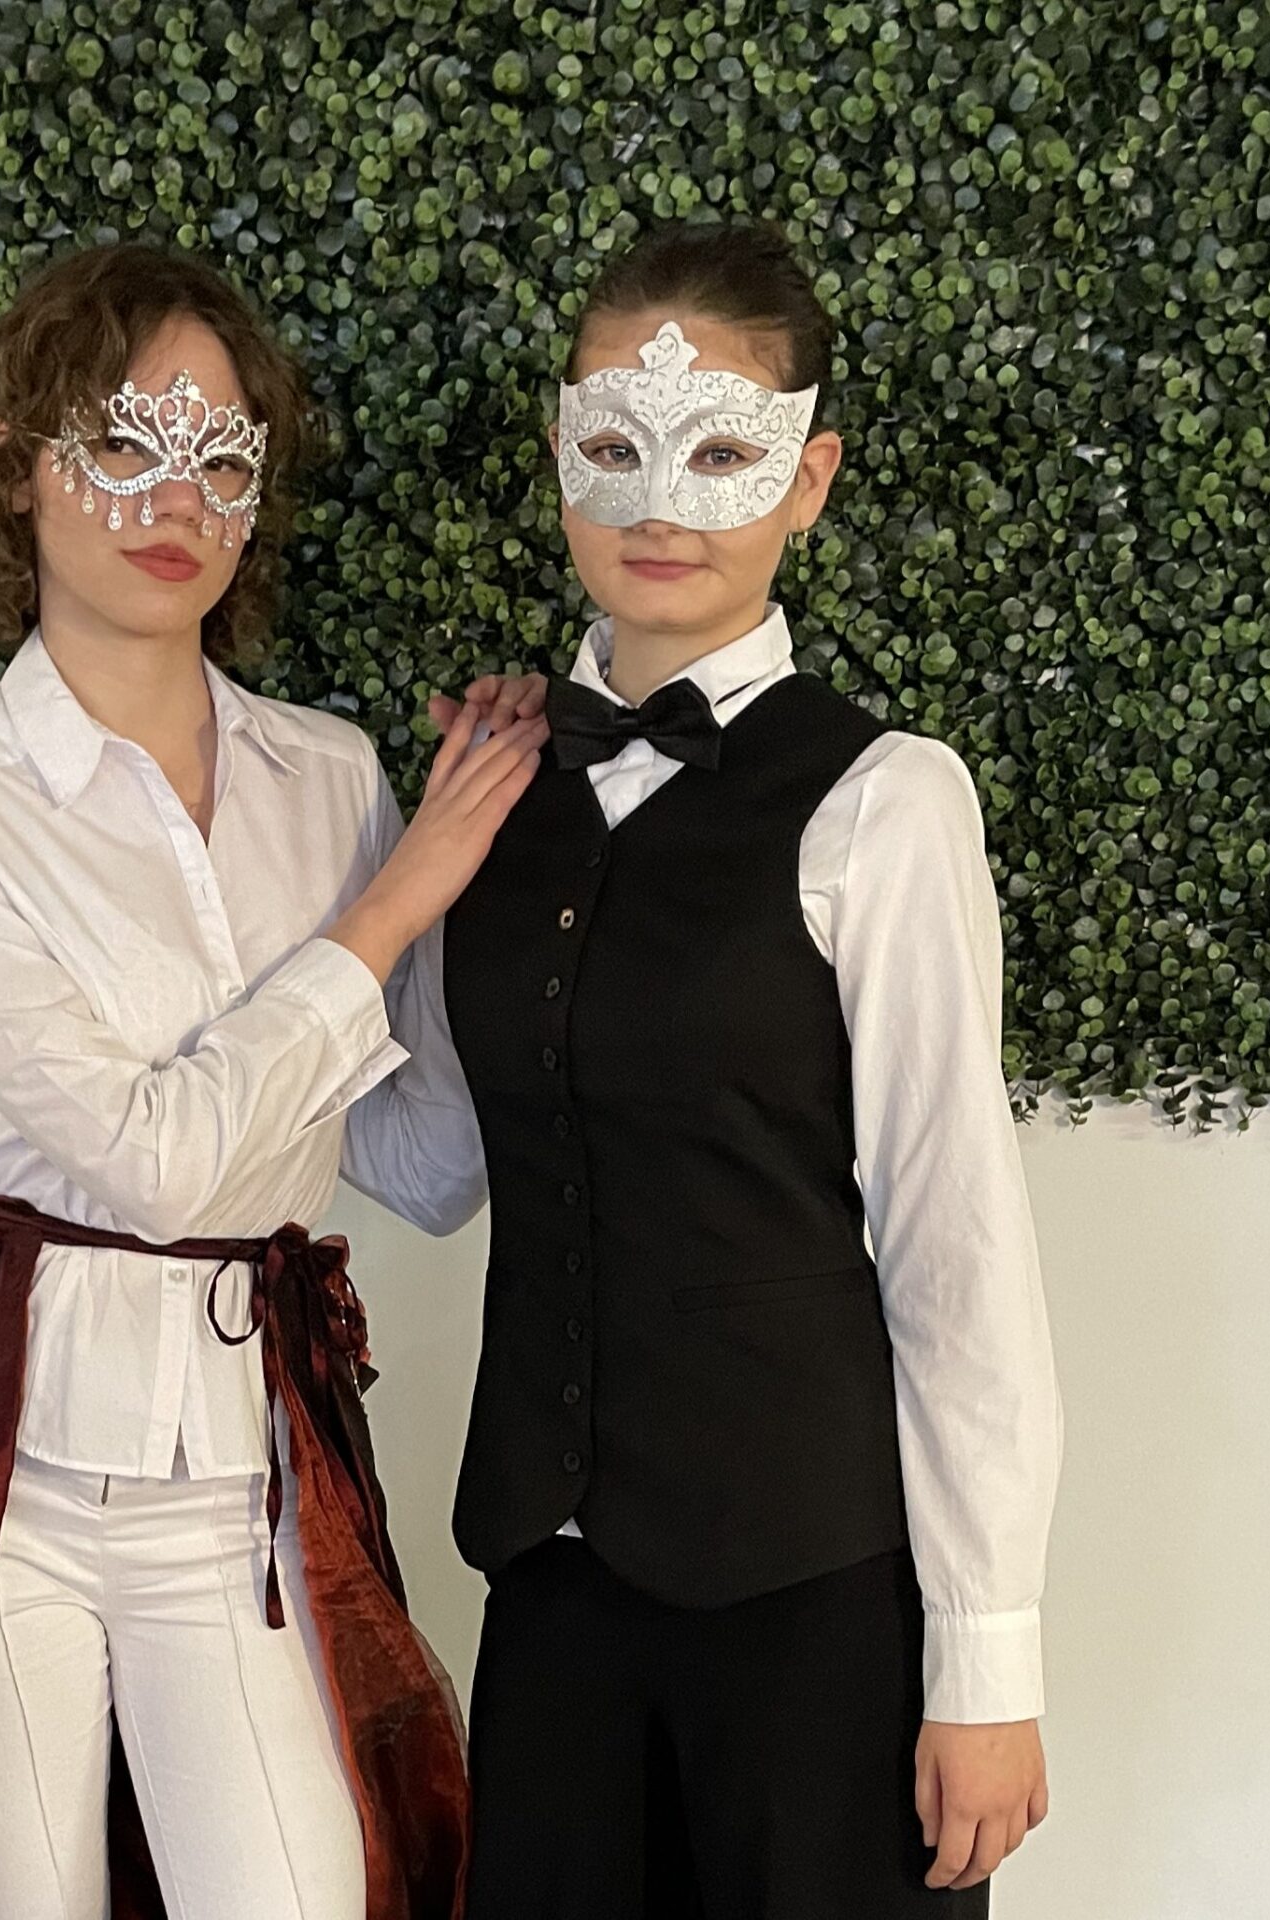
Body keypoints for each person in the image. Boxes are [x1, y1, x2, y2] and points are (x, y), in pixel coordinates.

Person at [0, 239, 545, 1920]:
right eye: (119, 442)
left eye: (223, 457)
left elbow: (430, 1166)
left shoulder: (333, 776)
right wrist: (395, 905)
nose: (177, 498)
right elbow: (154, 1166)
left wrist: (482, 866)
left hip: (244, 1478)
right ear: (15, 463)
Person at [440, 219, 1063, 1915]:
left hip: (810, 1599)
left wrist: (986, 1659)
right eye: (615, 448)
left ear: (811, 480)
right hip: (550, 1593)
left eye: (721, 453)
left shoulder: (890, 800)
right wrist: (366, 903)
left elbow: (953, 1240)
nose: (660, 505)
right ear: (561, 454)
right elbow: (428, 1165)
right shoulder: (489, 792)